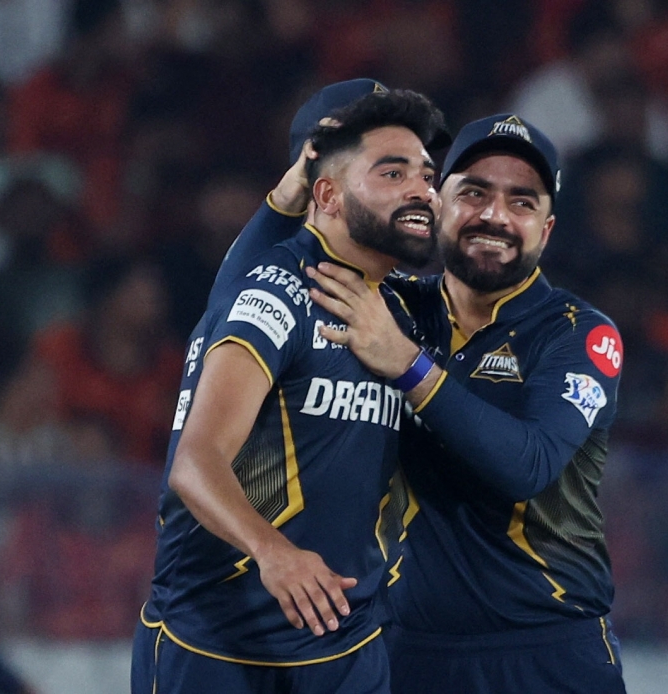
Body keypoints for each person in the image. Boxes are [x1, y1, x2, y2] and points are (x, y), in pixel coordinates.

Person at [246, 113, 628, 693]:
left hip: (550, 654)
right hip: (408, 652)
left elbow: (528, 465)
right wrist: (288, 193)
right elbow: (251, 288)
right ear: (437, 204)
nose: (495, 216)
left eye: (522, 202)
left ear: (546, 230)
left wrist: (407, 364)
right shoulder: (389, 306)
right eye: (474, 192)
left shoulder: (579, 334)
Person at [130, 88, 446, 694]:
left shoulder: (404, 310)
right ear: (324, 192)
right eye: (392, 172)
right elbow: (195, 463)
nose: (421, 191)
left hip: (347, 643)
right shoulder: (274, 294)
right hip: (219, 642)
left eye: (427, 176)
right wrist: (273, 552)